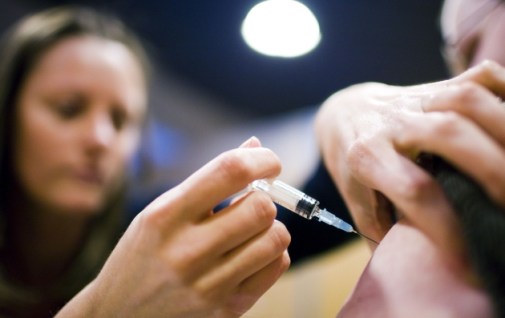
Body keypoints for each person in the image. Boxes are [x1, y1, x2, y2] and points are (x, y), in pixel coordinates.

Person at [0, 6, 290, 317]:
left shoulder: (156, 233)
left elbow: (310, 223)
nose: (101, 139)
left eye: (120, 120)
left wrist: (336, 112)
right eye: (69, 109)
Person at [313, 0, 505, 316]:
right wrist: (342, 108)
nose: (477, 72)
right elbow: (281, 228)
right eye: (463, 56)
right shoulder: (442, 164)